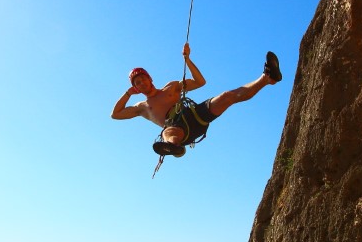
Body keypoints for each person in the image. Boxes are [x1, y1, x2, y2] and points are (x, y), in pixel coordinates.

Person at [111, 43, 282, 157]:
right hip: (179, 130)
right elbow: (115, 115)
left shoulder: (171, 87)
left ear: (150, 78)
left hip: (194, 115)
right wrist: (127, 93)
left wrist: (187, 60)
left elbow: (200, 82)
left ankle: (267, 78)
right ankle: (174, 147)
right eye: (137, 83)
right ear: (136, 88)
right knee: (168, 132)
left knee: (227, 97)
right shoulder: (142, 107)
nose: (141, 84)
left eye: (142, 79)